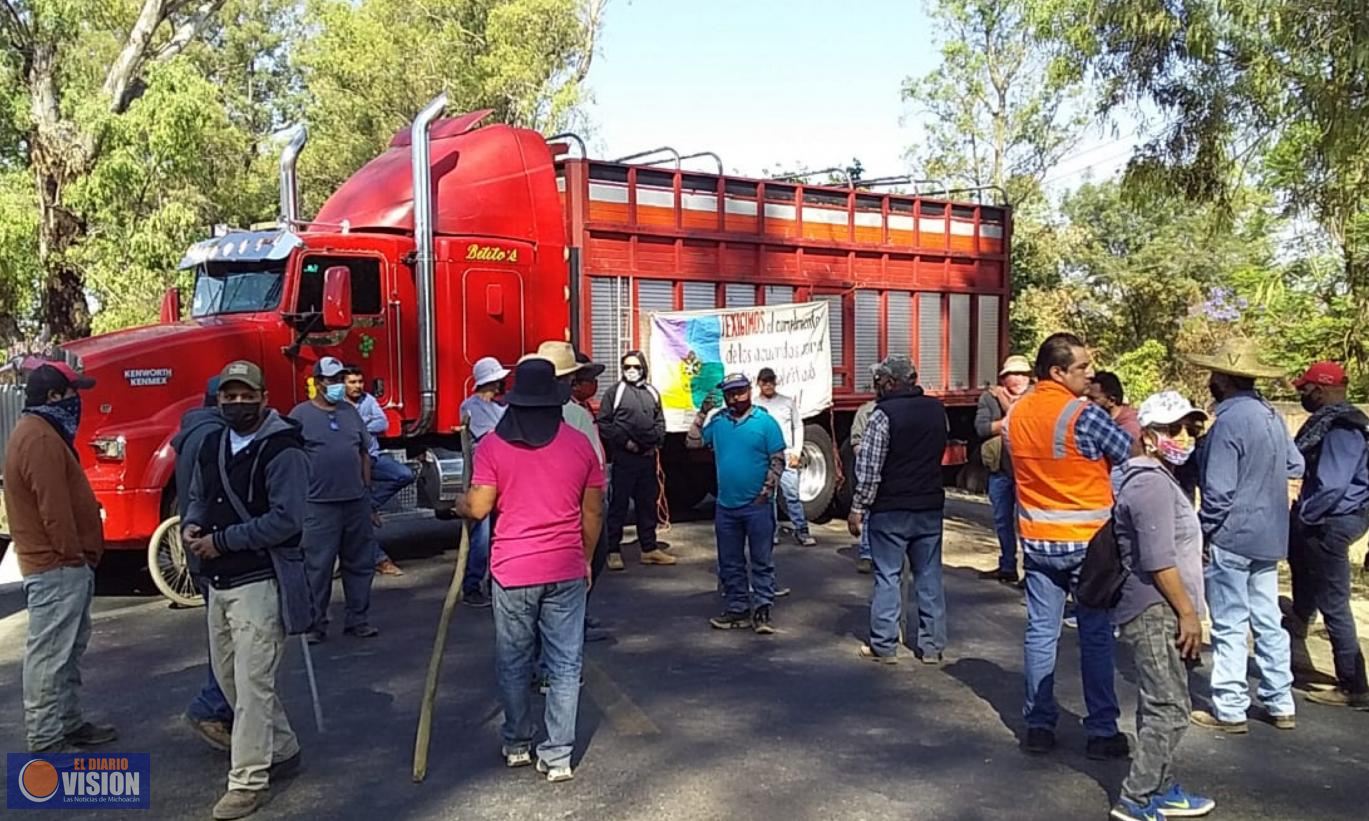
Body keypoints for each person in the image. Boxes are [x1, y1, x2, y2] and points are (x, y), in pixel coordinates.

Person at [455, 357, 605, 784]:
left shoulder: (493, 447)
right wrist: (586, 559)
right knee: (564, 664)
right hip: (565, 567)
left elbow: (480, 506)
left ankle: (518, 741)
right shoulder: (579, 444)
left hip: (514, 570)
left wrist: (458, 505)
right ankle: (557, 755)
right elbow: (592, 513)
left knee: (514, 660)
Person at [182, 360, 311, 820]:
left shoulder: (284, 451)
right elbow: (198, 495)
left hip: (259, 580)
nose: (237, 403)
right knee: (232, 681)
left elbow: (286, 520)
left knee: (253, 685)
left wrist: (221, 541)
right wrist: (193, 525)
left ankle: (247, 781)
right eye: (229, 396)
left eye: (245, 395)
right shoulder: (213, 443)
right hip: (218, 582)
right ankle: (282, 746)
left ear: (263, 397)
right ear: (218, 399)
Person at [1006, 332, 1131, 759]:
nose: (1090, 373)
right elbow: (1127, 451)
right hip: (1088, 542)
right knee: (1095, 634)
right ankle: (1101, 731)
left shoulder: (1018, 412)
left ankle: (1038, 725)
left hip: (1037, 538)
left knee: (1041, 632)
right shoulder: (1083, 413)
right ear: (1057, 371)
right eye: (1082, 367)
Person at [1185, 339, 1303, 732]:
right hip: (1270, 534)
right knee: (1268, 619)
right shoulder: (1270, 415)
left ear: (1223, 378)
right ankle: (1279, 700)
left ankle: (1231, 708)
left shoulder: (1229, 422)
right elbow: (1295, 463)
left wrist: (1203, 531)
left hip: (1232, 535)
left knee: (1231, 623)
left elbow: (1218, 492)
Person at [1110, 391, 1215, 821]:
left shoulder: (1160, 476)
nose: (1182, 437)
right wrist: (1187, 613)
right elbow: (1157, 559)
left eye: (1187, 429)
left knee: (1160, 704)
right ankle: (1136, 799)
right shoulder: (1150, 484)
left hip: (1166, 608)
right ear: (1150, 436)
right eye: (1172, 429)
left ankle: (1160, 787)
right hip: (1156, 611)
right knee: (1170, 709)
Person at [5, 360, 116, 754]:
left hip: (60, 565)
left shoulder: (40, 433)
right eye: (73, 394)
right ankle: (47, 738)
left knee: (65, 650)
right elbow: (54, 509)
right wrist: (75, 556)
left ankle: (67, 724)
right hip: (57, 567)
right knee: (51, 655)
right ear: (54, 397)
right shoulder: (40, 439)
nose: (77, 402)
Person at [848, 355, 949, 664]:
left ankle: (884, 645)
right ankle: (932, 647)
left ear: (891, 382)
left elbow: (869, 467)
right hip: (929, 506)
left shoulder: (882, 415)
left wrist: (857, 507)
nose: (876, 386)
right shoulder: (936, 410)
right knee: (929, 576)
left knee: (888, 576)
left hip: (891, 510)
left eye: (879, 381)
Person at [1285, 361, 1369, 709]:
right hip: (1339, 516)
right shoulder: (1345, 422)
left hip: (1333, 521)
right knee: (1306, 585)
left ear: (1320, 389)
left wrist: (1306, 516)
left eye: (1306, 389)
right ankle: (1298, 652)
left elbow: (1331, 484)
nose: (1303, 395)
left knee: (1334, 602)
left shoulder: (1340, 427)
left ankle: (1354, 685)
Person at [687, 373, 786, 634]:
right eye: (730, 393)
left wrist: (766, 490)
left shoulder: (765, 422)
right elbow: (692, 441)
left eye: (739, 392)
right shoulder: (719, 422)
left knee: (761, 559)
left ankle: (763, 609)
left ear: (749, 391)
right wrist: (702, 413)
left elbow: (778, 459)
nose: (734, 398)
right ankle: (738, 608)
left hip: (757, 505)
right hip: (726, 507)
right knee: (730, 562)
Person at [293, 356, 379, 643]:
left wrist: (367, 494)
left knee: (360, 563)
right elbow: (289, 460)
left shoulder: (350, 412)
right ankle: (315, 624)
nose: (338, 386)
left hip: (355, 501)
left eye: (340, 380)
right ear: (318, 383)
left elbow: (364, 453)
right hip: (318, 505)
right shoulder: (300, 416)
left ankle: (358, 620)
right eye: (331, 380)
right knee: (318, 567)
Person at [174, 376, 234, 751]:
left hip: (201, 547)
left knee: (223, 633)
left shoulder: (192, 432)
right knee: (228, 637)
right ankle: (212, 706)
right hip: (215, 551)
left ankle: (221, 707)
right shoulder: (214, 439)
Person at [598, 349, 675, 568]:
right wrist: (625, 442)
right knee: (619, 505)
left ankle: (649, 549)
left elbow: (660, 420)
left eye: (636, 367)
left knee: (648, 504)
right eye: (627, 367)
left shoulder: (652, 392)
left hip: (648, 458)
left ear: (643, 368)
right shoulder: (615, 392)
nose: (631, 371)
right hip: (625, 458)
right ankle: (613, 550)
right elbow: (604, 423)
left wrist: (656, 441)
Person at [344, 364, 412, 577]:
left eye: (360, 381)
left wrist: (358, 425)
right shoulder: (337, 405)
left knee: (404, 474)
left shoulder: (368, 400)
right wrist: (363, 424)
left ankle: (370, 504)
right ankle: (379, 560)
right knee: (357, 516)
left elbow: (382, 422)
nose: (357, 386)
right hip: (351, 464)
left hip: (373, 457)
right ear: (342, 384)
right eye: (352, 382)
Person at [458, 356, 510, 608]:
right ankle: (472, 585)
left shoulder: (502, 407)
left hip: (505, 476)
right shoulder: (470, 406)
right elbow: (492, 434)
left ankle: (495, 582)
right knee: (482, 534)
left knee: (501, 533)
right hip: (483, 477)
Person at [976, 354, 1032, 584]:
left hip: (1027, 472)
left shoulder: (1036, 396)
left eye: (1022, 374)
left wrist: (1007, 417)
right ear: (1004, 377)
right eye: (1012, 374)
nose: (1018, 379)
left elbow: (1026, 421)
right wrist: (1009, 424)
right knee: (1002, 520)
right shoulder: (988, 398)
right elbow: (981, 428)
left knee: (1028, 523)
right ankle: (1007, 566)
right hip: (1000, 470)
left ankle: (1032, 571)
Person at [755, 367, 816, 547]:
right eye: (764, 381)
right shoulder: (755, 405)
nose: (768, 385)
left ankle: (801, 530)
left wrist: (797, 452)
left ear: (775, 382)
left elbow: (798, 426)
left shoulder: (787, 403)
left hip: (787, 454)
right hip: (765, 457)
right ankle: (771, 532)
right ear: (758, 383)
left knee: (792, 495)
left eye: (771, 381)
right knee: (769, 497)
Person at [849, 364, 881, 574]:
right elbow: (856, 441)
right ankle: (867, 554)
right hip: (872, 471)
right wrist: (868, 458)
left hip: (895, 475)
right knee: (869, 512)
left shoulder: (901, 411)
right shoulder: (865, 412)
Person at [1088, 371, 1142, 441]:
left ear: (1111, 401)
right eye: (1087, 398)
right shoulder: (1105, 422)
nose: (1087, 403)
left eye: (1093, 399)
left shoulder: (1130, 430)